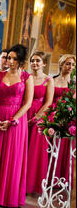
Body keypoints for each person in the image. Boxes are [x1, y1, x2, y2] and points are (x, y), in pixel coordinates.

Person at [0, 44, 34, 208]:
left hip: (16, 122)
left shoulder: (27, 77)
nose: (10, 61)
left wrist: (12, 120)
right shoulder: (0, 75)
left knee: (13, 157)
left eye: (14, 59)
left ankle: (7, 196)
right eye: (8, 58)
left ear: (21, 61)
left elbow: (28, 103)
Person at [26, 52, 54, 193]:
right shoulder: (26, 77)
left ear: (44, 63)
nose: (34, 63)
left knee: (34, 153)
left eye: (38, 60)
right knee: (23, 150)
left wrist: (36, 118)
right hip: (25, 114)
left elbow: (49, 102)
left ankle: (31, 185)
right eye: (32, 60)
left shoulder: (48, 80)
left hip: (39, 117)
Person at [53, 54, 76, 183]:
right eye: (68, 64)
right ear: (61, 64)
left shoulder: (74, 83)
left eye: (72, 65)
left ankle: (61, 179)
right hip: (52, 117)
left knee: (63, 149)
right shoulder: (53, 80)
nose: (70, 67)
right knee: (51, 148)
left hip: (67, 118)